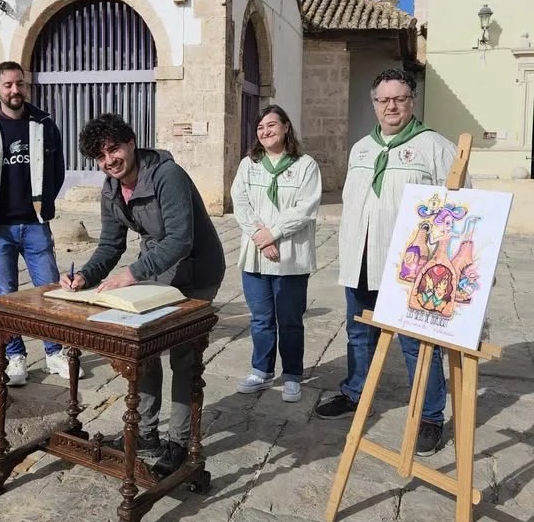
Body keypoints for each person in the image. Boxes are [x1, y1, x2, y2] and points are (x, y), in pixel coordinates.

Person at [60, 113, 226, 478]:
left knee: (183, 358)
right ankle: (146, 433)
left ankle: (180, 444)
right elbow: (109, 244)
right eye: (100, 157)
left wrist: (133, 274)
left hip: (197, 271)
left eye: (114, 149)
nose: (110, 161)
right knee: (144, 351)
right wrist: (85, 275)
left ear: (131, 142)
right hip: (159, 270)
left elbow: (180, 239)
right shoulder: (111, 187)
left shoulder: (168, 175)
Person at [315, 68, 460, 457]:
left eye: (399, 98)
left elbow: (461, 206)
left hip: (410, 270)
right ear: (374, 104)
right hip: (361, 260)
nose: (391, 106)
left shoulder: (435, 147)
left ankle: (429, 416)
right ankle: (356, 392)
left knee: (417, 344)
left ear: (412, 102)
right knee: (358, 333)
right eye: (384, 100)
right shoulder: (361, 148)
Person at [0, 61, 67, 386]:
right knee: (6, 294)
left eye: (19, 84)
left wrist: (43, 201)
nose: (14, 90)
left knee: (49, 290)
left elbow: (57, 171)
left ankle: (54, 352)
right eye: (8, 85)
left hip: (35, 223)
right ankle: (16, 357)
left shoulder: (43, 124)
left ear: (26, 85)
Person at [231, 105, 322, 401]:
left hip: (290, 256)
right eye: (260, 128)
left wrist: (275, 233)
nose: (266, 131)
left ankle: (293, 373)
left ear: (285, 127)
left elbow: (306, 207)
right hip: (256, 253)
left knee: (290, 318)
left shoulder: (305, 165)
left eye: (271, 125)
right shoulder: (249, 164)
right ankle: (262, 370)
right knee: (261, 318)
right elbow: (240, 201)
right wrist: (261, 235)